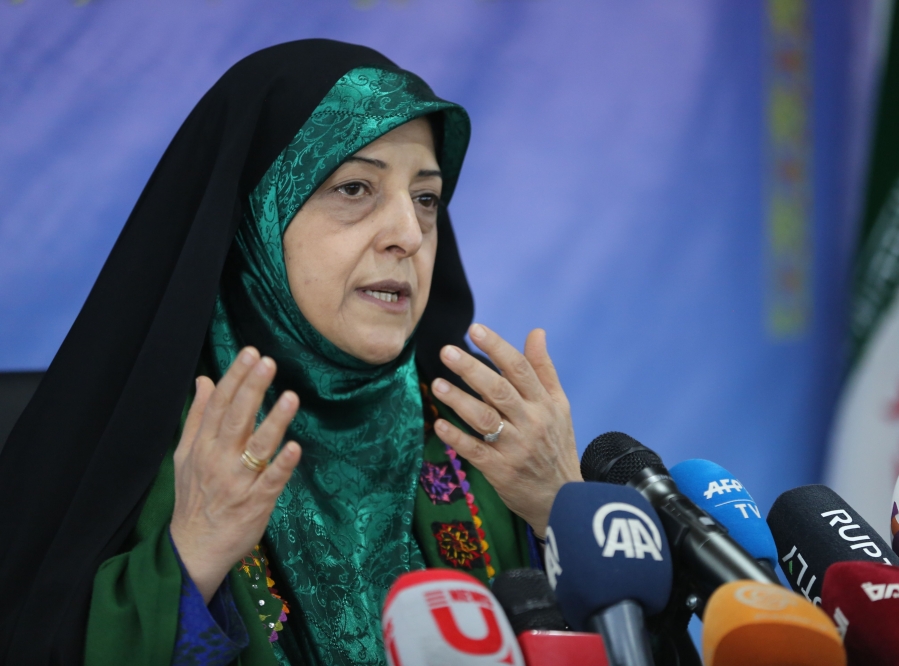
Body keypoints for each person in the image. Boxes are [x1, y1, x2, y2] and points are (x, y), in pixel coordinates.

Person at [0, 39, 582, 665]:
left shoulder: (477, 445)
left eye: (426, 198)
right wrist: (191, 556)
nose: (409, 236)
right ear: (252, 217)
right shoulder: (154, 452)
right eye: (355, 188)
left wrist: (563, 513)